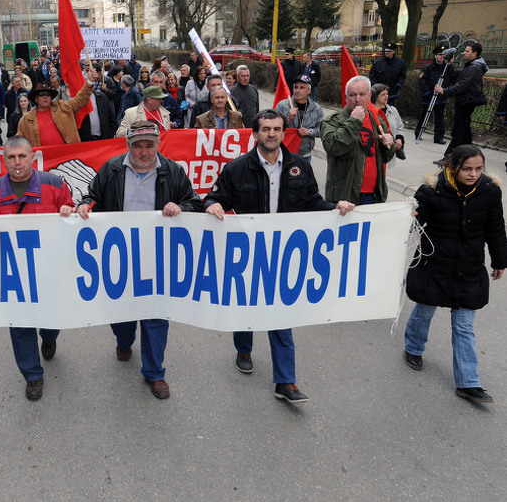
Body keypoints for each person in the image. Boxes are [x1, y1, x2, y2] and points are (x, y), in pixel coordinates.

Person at [204, 110, 356, 403]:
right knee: (246, 306)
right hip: (248, 253)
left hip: (285, 255)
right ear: (255, 133)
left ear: (284, 132)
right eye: (265, 129)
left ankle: (286, 382)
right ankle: (244, 348)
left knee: (280, 314)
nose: (271, 134)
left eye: (276, 129)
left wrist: (336, 208)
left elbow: (313, 202)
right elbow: (216, 197)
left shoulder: (299, 167)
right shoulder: (237, 169)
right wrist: (213, 205)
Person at [77, 120, 202, 399]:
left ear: (158, 145)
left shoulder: (172, 171)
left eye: (150, 145)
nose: (144, 152)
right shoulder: (111, 168)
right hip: (119, 256)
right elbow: (91, 195)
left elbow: (195, 202)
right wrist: (84, 205)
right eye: (138, 146)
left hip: (158, 257)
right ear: (128, 146)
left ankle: (155, 372)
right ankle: (124, 339)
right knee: (120, 313)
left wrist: (179, 206)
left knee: (156, 316)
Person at [404, 144, 507, 404]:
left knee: (464, 326)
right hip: (434, 265)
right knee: (424, 311)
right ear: (453, 167)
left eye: (479, 169)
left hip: (469, 268)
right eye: (467, 169)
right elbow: (414, 221)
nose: (474, 174)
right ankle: (413, 349)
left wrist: (500, 260)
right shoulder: (432, 189)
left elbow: (496, 228)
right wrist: (410, 216)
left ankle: (468, 382)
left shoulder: (489, 192)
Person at [0, 136, 74, 401]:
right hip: (14, 274)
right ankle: (33, 375)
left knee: (52, 317)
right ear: (4, 159)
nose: (17, 162)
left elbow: (74, 215)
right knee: (20, 324)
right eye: (12, 157)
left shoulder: (54, 185)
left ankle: (50, 335)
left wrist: (69, 210)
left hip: (49, 270)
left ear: (33, 157)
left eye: (22, 156)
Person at [322, 75, 395, 204]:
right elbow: (334, 147)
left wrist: (389, 145)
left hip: (373, 196)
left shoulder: (378, 122)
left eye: (362, 94)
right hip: (343, 196)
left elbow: (385, 158)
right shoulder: (332, 121)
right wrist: (354, 121)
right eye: (352, 95)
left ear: (370, 96)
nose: (357, 99)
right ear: (345, 97)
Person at [435, 43, 488, 161]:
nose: (464, 53)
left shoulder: (475, 68)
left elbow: (461, 85)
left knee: (458, 131)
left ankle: (448, 158)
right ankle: (470, 155)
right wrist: (449, 65)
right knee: (465, 131)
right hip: (463, 100)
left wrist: (444, 90)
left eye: (467, 51)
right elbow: (456, 77)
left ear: (474, 54)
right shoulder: (470, 66)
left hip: (466, 101)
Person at [15, 75, 94, 147]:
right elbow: (18, 142)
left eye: (48, 94)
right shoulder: (26, 119)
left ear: (51, 98)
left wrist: (89, 83)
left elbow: (80, 99)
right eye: (41, 94)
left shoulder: (63, 107)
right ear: (36, 99)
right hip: (44, 160)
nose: (45, 97)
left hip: (68, 157)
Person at [274, 75, 324, 161]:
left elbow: (322, 130)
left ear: (309, 90)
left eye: (301, 88)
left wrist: (309, 131)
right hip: (285, 153)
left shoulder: (316, 109)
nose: (297, 90)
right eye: (295, 87)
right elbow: (273, 126)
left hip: (305, 155)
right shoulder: (283, 105)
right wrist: (287, 118)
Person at [416, 45, 458, 145]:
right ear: (435, 56)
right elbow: (421, 81)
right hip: (429, 97)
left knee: (439, 118)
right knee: (424, 115)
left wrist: (446, 91)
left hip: (441, 97)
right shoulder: (428, 68)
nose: (441, 57)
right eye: (439, 55)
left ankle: (439, 137)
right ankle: (418, 133)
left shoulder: (447, 67)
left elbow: (454, 78)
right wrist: (427, 93)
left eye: (443, 55)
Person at [371, 83, 406, 162]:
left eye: (387, 94)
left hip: (389, 151)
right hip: (375, 151)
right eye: (383, 94)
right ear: (375, 96)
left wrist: (399, 138)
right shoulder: (370, 111)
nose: (386, 96)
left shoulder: (392, 110)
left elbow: (399, 127)